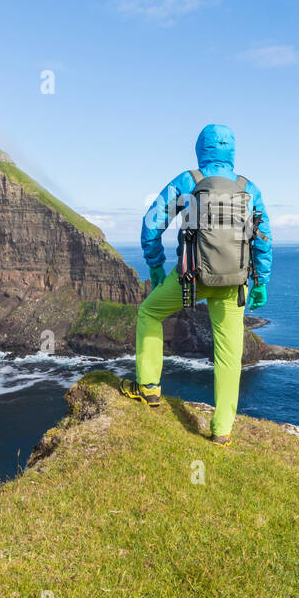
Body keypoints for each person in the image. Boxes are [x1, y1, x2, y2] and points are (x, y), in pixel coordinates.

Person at [122, 124, 273, 445]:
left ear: (200, 149)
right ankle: (222, 430)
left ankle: (148, 389)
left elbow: (151, 224)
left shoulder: (188, 181)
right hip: (234, 280)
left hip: (190, 276)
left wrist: (156, 265)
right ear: (232, 153)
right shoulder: (249, 188)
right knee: (229, 354)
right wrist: (260, 283)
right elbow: (263, 241)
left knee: (149, 314)